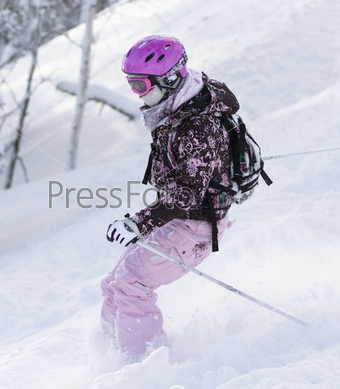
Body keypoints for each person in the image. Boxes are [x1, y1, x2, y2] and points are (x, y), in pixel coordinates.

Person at [101, 34, 242, 359]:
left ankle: (142, 364)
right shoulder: (183, 103)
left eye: (138, 84)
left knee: (130, 285)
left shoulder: (196, 128)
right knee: (114, 283)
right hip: (179, 220)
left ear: (168, 79)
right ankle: (108, 352)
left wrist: (140, 223)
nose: (135, 92)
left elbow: (189, 194)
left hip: (196, 228)